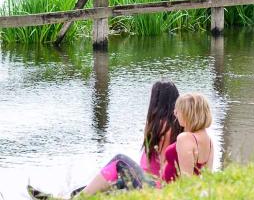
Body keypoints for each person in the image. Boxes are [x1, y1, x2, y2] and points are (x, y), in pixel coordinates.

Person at [28, 80, 181, 199]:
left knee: (119, 160)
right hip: (148, 183)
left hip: (154, 187)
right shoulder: (172, 125)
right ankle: (69, 198)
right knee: (100, 186)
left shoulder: (163, 127)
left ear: (156, 100)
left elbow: (164, 165)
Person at [161, 92, 214, 183]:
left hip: (172, 191)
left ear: (188, 114)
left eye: (178, 110)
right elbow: (207, 176)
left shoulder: (185, 138)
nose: (175, 113)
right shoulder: (209, 141)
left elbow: (186, 180)